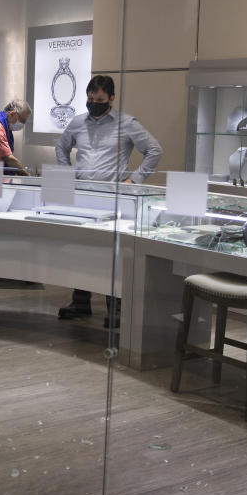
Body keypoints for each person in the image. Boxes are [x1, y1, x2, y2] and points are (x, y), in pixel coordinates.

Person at [55, 74, 163, 329]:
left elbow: (154, 150)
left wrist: (134, 180)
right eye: (90, 99)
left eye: (100, 99)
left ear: (111, 99)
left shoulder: (127, 124)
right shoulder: (78, 122)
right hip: (82, 196)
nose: (94, 103)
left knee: (112, 254)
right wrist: (66, 174)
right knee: (81, 250)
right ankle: (80, 302)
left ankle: (115, 306)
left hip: (113, 197)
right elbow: (61, 147)